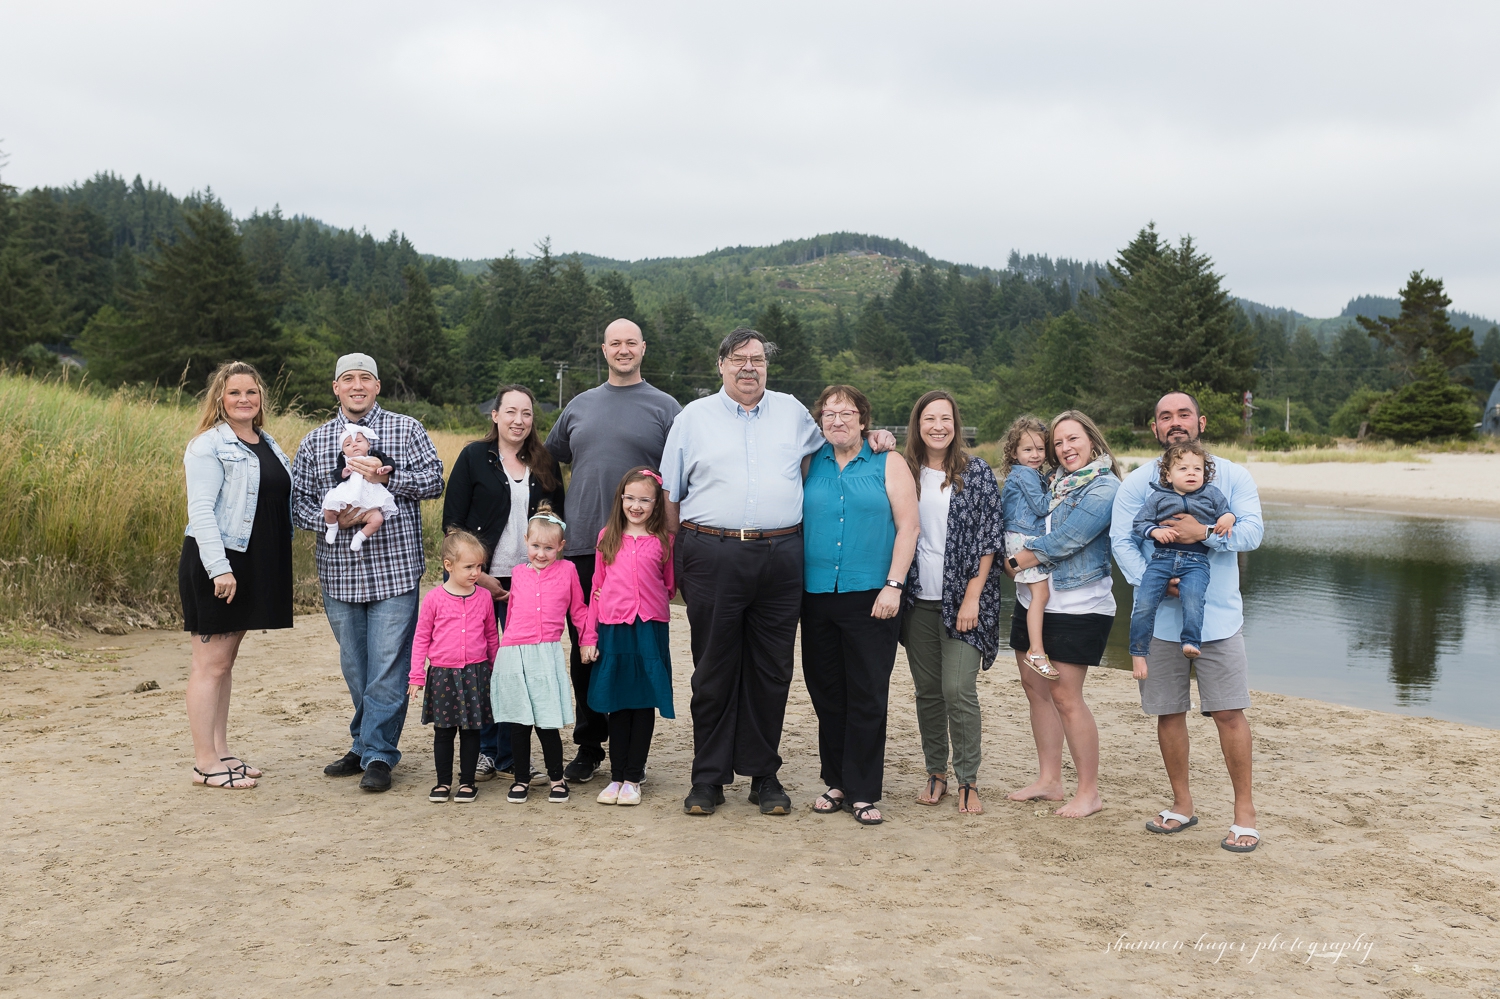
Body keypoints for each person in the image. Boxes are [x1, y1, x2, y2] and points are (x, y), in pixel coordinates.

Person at [661, 327, 897, 817]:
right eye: (739, 358)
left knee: (772, 671)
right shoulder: (693, 419)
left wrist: (874, 437)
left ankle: (763, 775)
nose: (750, 367)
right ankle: (708, 779)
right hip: (711, 552)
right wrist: (682, 555)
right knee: (712, 671)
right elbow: (671, 498)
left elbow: (836, 443)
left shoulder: (791, 411)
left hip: (780, 556)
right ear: (720, 364)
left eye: (758, 359)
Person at [1110, 392, 1264, 853]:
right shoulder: (1137, 482)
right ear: (1155, 428)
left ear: (1201, 421)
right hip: (1159, 622)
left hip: (1218, 620)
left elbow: (1253, 532)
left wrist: (1208, 537)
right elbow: (1123, 540)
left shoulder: (1234, 476)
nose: (1175, 423)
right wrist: (1150, 584)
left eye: (1183, 415)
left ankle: (1245, 815)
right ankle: (1182, 805)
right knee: (1168, 712)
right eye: (1164, 417)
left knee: (1230, 713)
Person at [291, 353, 445, 793]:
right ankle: (363, 742)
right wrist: (334, 520)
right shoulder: (316, 441)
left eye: (365, 379)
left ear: (377, 386)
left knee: (387, 666)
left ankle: (378, 753)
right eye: (348, 379)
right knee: (356, 667)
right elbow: (298, 503)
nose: (357, 385)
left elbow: (434, 481)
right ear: (335, 387)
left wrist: (386, 480)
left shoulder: (406, 428)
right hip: (339, 572)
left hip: (395, 570)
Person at [545, 318, 682, 784]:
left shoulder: (666, 408)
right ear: (603, 350)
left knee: (636, 650)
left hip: (641, 551)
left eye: (631, 343)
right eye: (614, 343)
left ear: (643, 348)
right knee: (587, 648)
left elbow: (684, 475)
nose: (623, 350)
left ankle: (630, 752)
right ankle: (589, 745)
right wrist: (548, 512)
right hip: (585, 545)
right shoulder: (579, 406)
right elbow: (548, 459)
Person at [800, 386, 919, 826]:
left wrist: (894, 585)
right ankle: (836, 781)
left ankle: (864, 791)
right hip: (815, 597)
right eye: (828, 413)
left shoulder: (888, 461)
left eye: (846, 412)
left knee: (868, 693)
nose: (837, 420)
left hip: (873, 597)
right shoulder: (811, 462)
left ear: (864, 420)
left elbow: (909, 528)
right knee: (827, 693)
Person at [443, 383, 566, 783]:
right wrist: (482, 579)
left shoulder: (544, 461)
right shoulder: (474, 457)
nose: (519, 420)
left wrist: (545, 578)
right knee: (488, 667)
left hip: (532, 584)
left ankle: (515, 756)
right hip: (484, 581)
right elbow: (454, 523)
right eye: (510, 412)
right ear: (495, 415)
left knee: (524, 669)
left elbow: (556, 522)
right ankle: (486, 752)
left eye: (527, 414)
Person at [179, 361, 293, 789]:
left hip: (252, 563)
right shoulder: (208, 445)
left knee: (224, 664)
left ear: (260, 398)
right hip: (220, 564)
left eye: (251, 392)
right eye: (234, 393)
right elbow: (201, 511)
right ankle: (204, 763)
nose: (244, 399)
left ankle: (222, 751)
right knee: (208, 665)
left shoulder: (267, 443)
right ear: (219, 400)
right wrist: (219, 568)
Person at [1002, 411, 1120, 819]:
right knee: (1035, 688)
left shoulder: (1105, 487)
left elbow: (1069, 539)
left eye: (1074, 439)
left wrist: (1018, 561)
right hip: (1033, 601)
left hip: (1079, 603)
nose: (1066, 448)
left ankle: (1089, 792)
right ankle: (1050, 780)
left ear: (1092, 440)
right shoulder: (1051, 482)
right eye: (1058, 443)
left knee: (1067, 697)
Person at [900, 391, 1006, 816]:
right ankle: (935, 772)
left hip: (963, 599)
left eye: (946, 418)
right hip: (915, 599)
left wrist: (972, 598)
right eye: (930, 418)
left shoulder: (975, 472)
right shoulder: (903, 470)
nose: (938, 426)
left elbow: (989, 539)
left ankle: (968, 779)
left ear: (955, 424)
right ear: (918, 424)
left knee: (957, 689)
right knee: (927, 692)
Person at [578, 467, 676, 807]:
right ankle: (616, 775)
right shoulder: (608, 537)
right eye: (630, 498)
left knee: (642, 700)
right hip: (613, 629)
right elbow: (596, 589)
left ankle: (634, 777)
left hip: (649, 629)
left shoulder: (664, 540)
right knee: (617, 702)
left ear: (655, 503)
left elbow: (669, 584)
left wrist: (646, 597)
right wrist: (588, 636)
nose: (636, 506)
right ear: (621, 499)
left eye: (645, 500)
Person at [490, 503, 590, 805]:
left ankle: (557, 779)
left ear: (561, 546)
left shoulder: (568, 571)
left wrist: (588, 640)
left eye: (548, 547)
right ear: (525, 542)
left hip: (545, 654)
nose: (541, 554)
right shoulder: (518, 573)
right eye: (535, 546)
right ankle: (521, 779)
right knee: (519, 723)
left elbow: (579, 611)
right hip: (513, 653)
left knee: (546, 721)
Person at [1127, 439, 1235, 674]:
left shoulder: (1211, 494)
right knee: (1144, 603)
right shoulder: (1158, 498)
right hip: (1161, 559)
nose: (1191, 473)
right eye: (1183, 468)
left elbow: (1226, 514)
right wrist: (1155, 530)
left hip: (1196, 562)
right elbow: (1139, 524)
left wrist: (1228, 518)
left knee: (1194, 598)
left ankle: (1191, 641)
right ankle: (1138, 653)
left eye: (1197, 469)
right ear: (1168, 473)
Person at [407, 531, 499, 804]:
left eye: (479, 567)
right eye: (469, 567)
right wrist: (416, 676)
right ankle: (443, 783)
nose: (475, 572)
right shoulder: (434, 599)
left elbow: (492, 636)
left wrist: (496, 670)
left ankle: (468, 783)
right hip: (442, 674)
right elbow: (421, 638)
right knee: (444, 732)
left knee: (472, 731)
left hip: (476, 672)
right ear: (449, 565)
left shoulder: (484, 597)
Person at [999, 415, 1057, 680]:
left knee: (1032, 595)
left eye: (1040, 449)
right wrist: (1059, 488)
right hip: (1023, 538)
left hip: (1016, 537)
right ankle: (1036, 650)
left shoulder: (1025, 474)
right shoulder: (1025, 475)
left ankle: (1033, 646)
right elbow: (1042, 506)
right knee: (1041, 595)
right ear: (1014, 452)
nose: (1035, 455)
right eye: (1027, 449)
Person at [321, 424, 397, 551]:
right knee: (329, 509)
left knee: (378, 519)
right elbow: (337, 474)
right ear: (343, 451)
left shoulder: (374, 456)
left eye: (359, 441)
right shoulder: (345, 459)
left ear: (368, 445)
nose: (354, 445)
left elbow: (388, 460)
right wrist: (344, 473)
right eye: (348, 444)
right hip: (348, 497)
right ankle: (332, 527)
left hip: (369, 499)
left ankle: (360, 537)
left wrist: (388, 468)